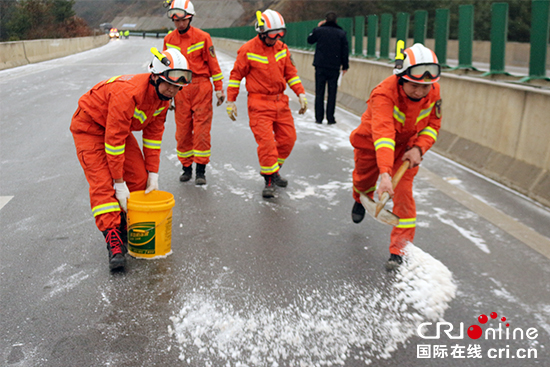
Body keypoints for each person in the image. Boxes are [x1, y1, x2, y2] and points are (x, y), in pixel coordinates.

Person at [70, 48, 192, 270]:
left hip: (116, 130)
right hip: (90, 127)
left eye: (178, 87)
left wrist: (153, 174)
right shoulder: (128, 93)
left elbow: (153, 137)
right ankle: (114, 240)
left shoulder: (163, 99)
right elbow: (114, 144)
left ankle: (127, 226)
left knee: (139, 179)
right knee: (103, 185)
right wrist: (118, 182)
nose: (174, 90)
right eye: (170, 84)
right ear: (155, 76)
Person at [349, 43, 442, 270]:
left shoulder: (433, 91)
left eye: (425, 86)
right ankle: (359, 198)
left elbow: (433, 125)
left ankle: (399, 250)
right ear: (401, 79)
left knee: (404, 197)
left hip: (407, 149)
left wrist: (419, 148)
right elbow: (383, 135)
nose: (420, 92)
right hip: (372, 144)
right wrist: (384, 174)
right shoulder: (383, 94)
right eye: (414, 86)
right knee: (363, 180)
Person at [226, 9, 307, 198]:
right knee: (267, 144)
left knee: (288, 140)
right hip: (259, 104)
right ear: (261, 32)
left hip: (281, 102)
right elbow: (236, 76)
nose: (277, 37)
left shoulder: (282, 48)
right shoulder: (247, 50)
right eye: (273, 34)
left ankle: (273, 170)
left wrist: (301, 94)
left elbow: (291, 74)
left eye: (280, 33)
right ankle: (269, 179)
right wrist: (231, 101)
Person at [163, 0, 225, 185]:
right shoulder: (169, 40)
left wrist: (219, 89)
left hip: (201, 87)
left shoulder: (203, 37)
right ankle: (186, 168)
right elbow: (166, 68)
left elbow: (213, 64)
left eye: (183, 20)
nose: (180, 24)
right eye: (176, 21)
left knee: (201, 132)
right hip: (179, 88)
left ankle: (200, 170)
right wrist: (167, 95)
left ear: (190, 18)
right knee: (182, 132)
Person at [307, 11, 349, 125]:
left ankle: (318, 118)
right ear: (336, 21)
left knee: (319, 92)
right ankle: (330, 118)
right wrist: (345, 66)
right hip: (334, 67)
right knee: (332, 93)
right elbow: (345, 51)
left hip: (320, 66)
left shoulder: (319, 31)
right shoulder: (341, 33)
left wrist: (317, 28)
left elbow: (309, 40)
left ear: (325, 21)